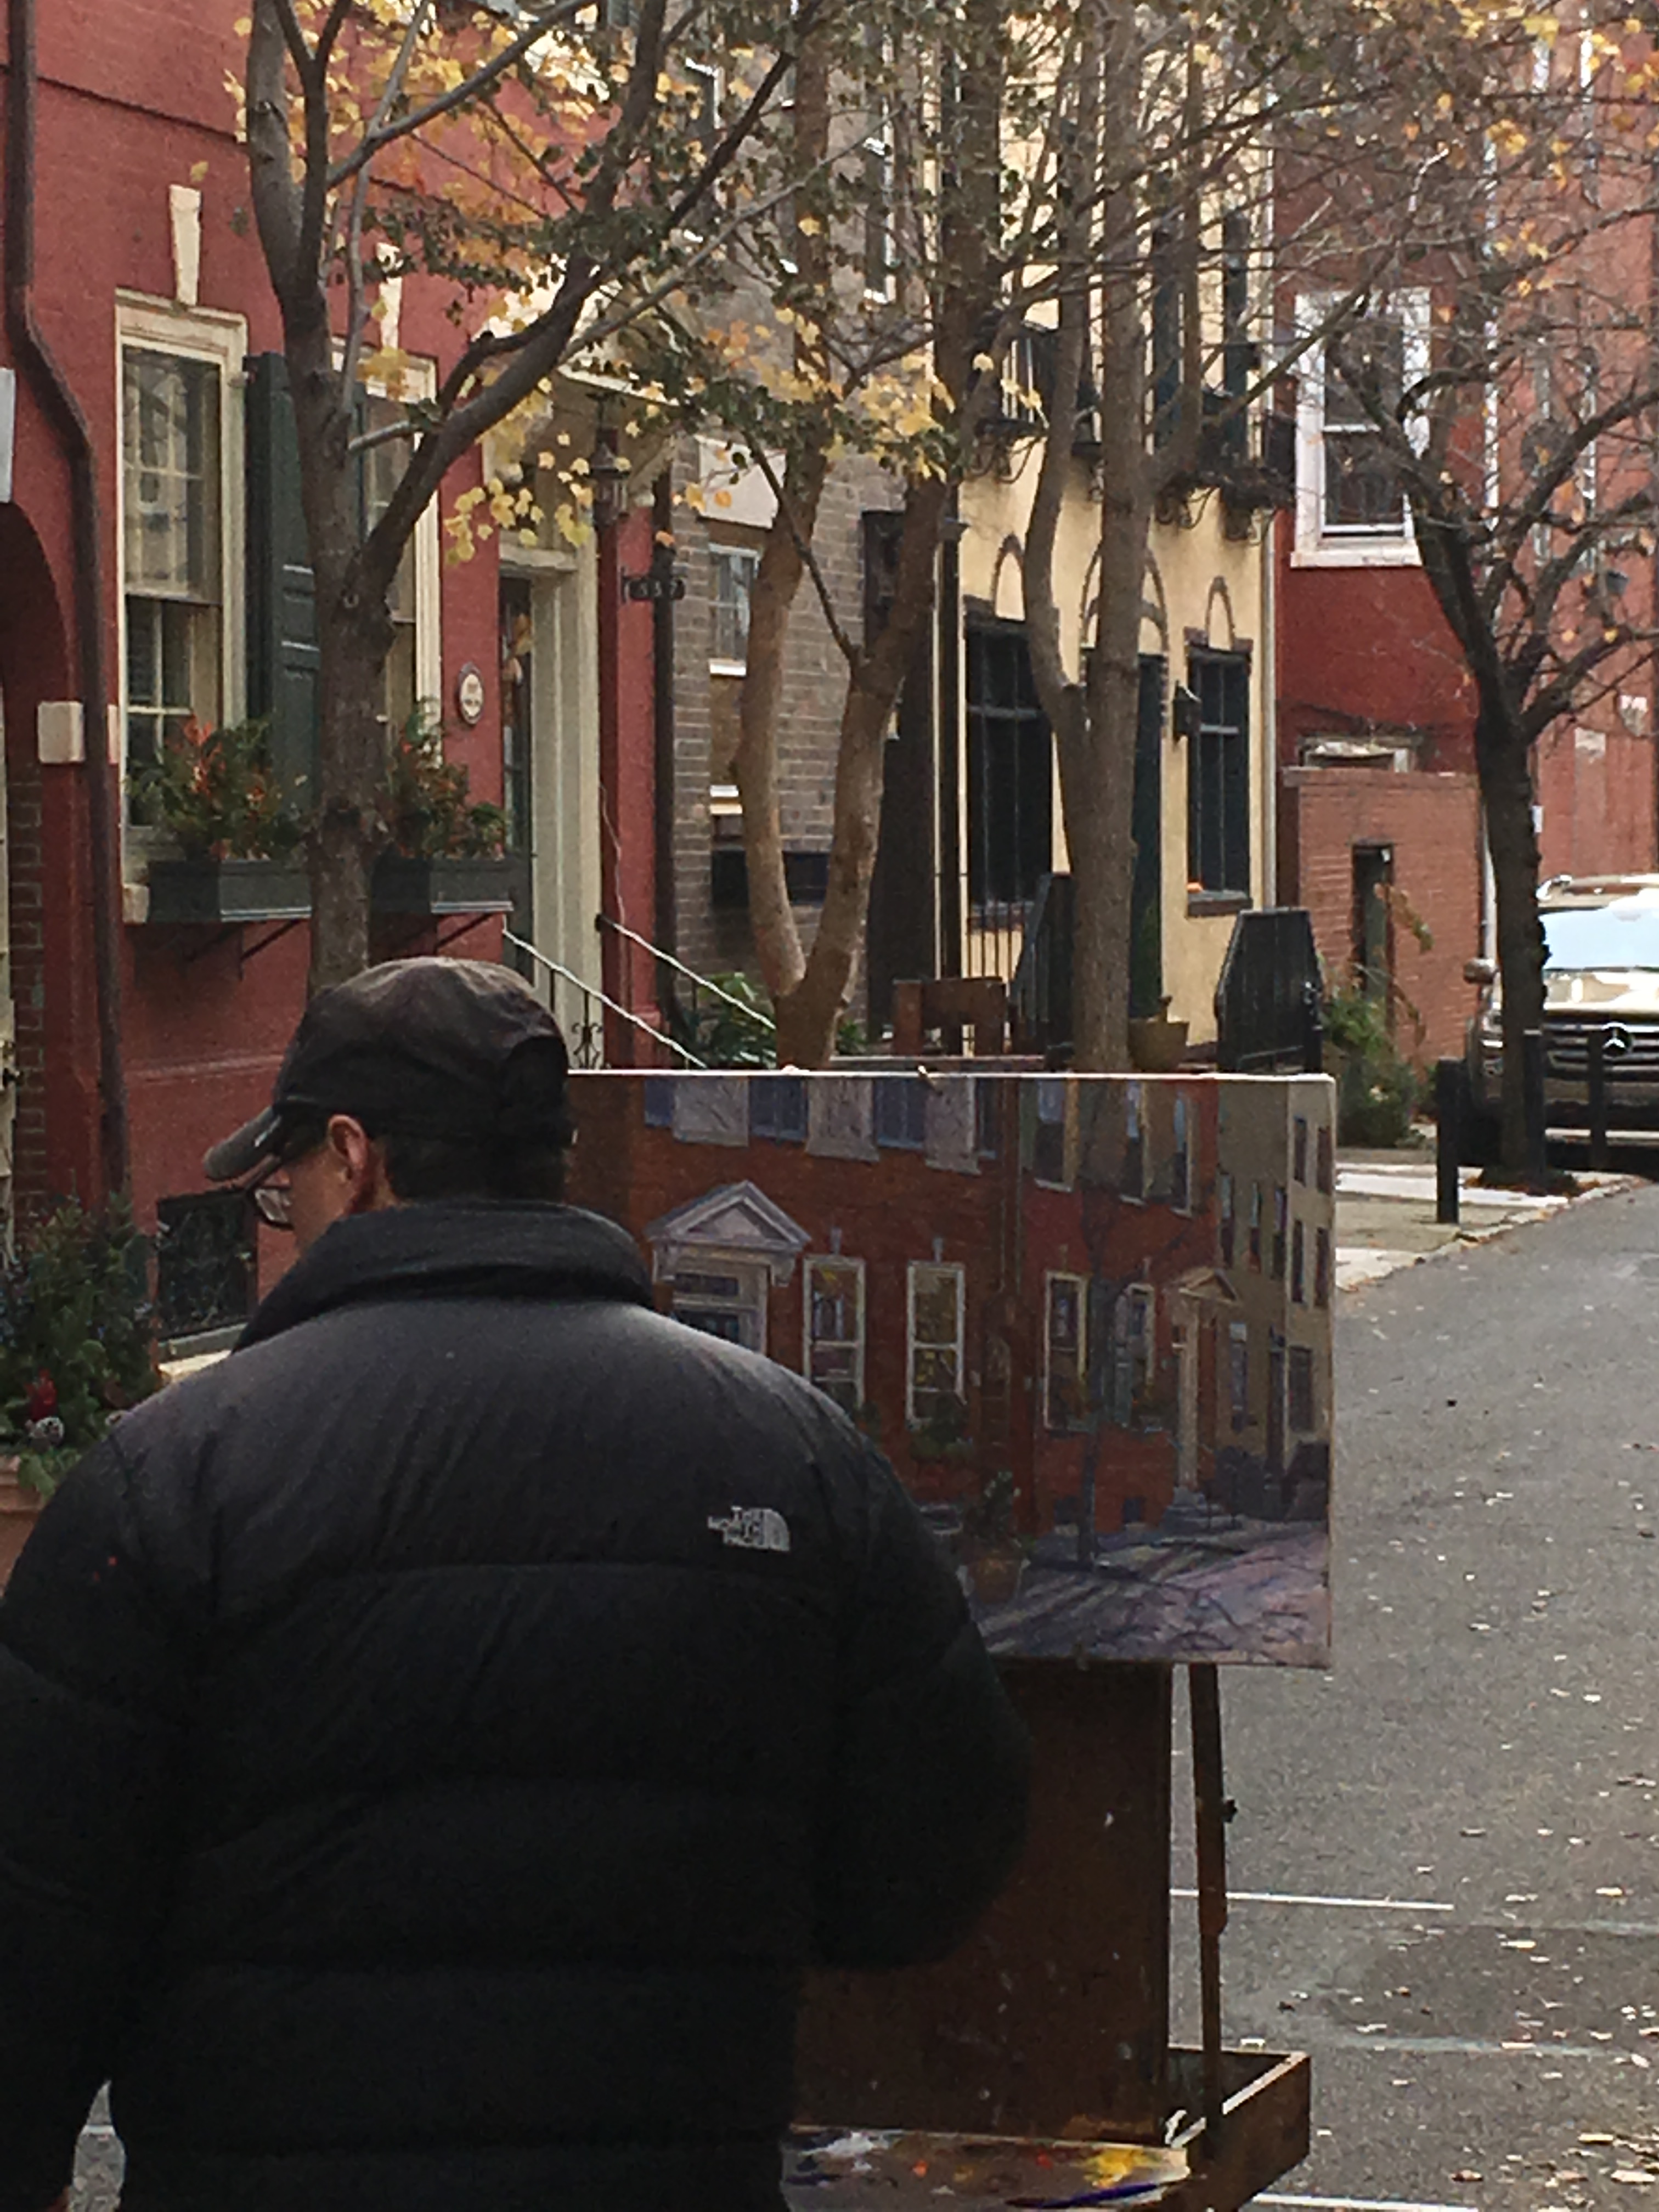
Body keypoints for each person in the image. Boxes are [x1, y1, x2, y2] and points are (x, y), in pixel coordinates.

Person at [0, 958, 1030, 2212]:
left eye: (287, 1189)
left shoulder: (175, 1481)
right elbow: (942, 1853)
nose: (291, 1219)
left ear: (354, 1158)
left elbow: (36, 1931)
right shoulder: (794, 1456)